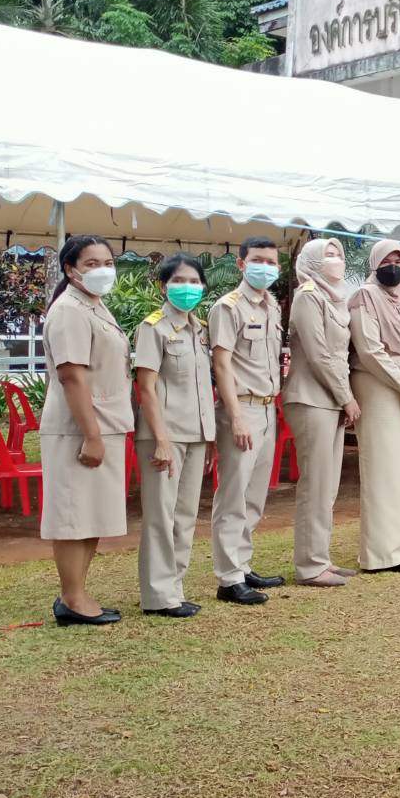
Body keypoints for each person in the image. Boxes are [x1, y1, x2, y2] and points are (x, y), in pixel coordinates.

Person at [38, 235, 132, 626]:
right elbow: (72, 376)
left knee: (90, 515)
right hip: (80, 428)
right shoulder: (69, 310)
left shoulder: (93, 306)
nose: (102, 269)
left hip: (103, 424)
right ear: (70, 269)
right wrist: (91, 435)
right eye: (91, 263)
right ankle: (72, 598)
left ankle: (77, 592)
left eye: (107, 261)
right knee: (74, 516)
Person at [134, 254, 214, 618]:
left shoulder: (199, 329)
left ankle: (174, 589)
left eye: (194, 281)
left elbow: (200, 387)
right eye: (179, 281)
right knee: (160, 515)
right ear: (163, 286)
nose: (188, 288)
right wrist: (161, 438)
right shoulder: (153, 327)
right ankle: (157, 595)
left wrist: (208, 436)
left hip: (195, 434)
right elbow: (146, 387)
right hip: (163, 435)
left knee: (184, 515)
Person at [209, 236, 286, 606]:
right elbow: (221, 363)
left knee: (255, 494)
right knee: (233, 494)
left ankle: (242, 563)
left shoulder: (272, 305)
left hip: (267, 408)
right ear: (241, 264)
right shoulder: (229, 307)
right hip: (242, 409)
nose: (266, 267)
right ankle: (228, 577)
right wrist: (235, 416)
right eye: (258, 260)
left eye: (272, 262)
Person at [283, 238, 361, 588]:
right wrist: (347, 397)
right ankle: (310, 565)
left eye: (338, 255)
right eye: (328, 256)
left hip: (330, 400)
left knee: (327, 487)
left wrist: (342, 398)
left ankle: (321, 558)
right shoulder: (308, 296)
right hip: (312, 398)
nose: (335, 261)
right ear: (312, 261)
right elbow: (319, 355)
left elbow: (340, 355)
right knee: (314, 485)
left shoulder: (335, 298)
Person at [349, 239, 400, 573]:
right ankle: (380, 554)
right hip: (378, 387)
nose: (394, 265)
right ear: (375, 263)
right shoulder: (363, 298)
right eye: (387, 259)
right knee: (382, 471)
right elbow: (369, 351)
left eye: (399, 259)